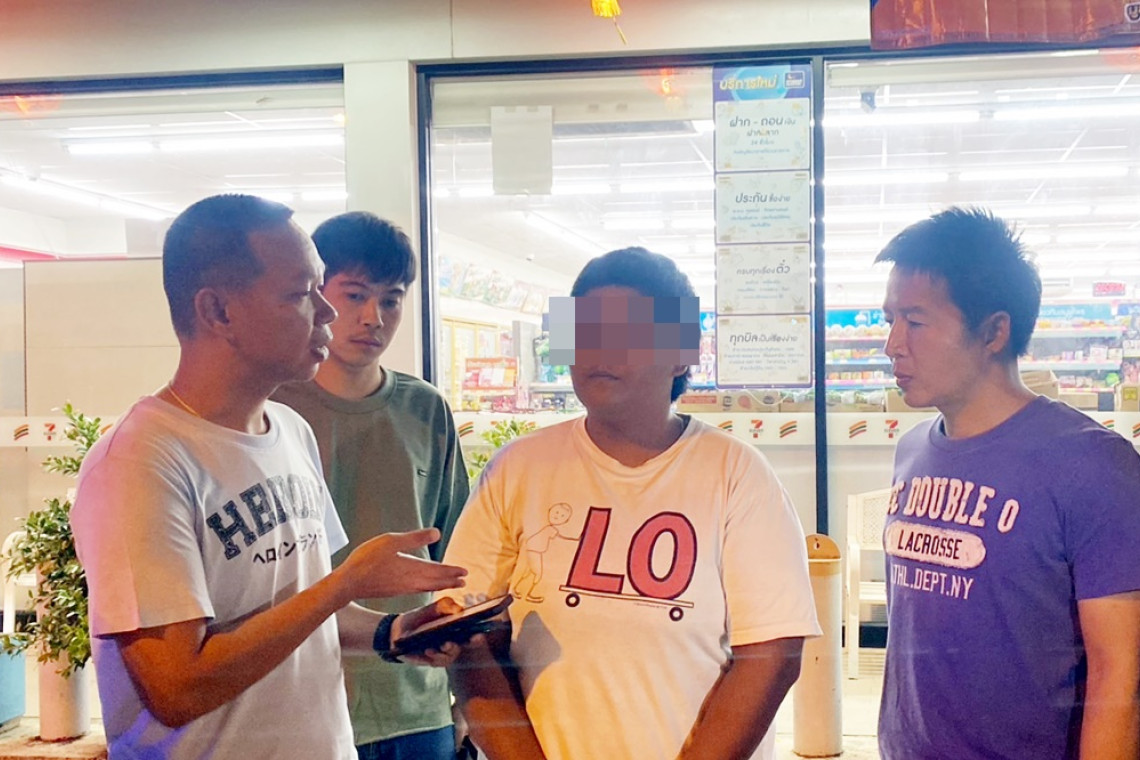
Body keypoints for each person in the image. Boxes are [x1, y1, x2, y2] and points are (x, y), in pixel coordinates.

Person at [70, 194, 470, 760]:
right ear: (219, 312)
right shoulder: (137, 462)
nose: (327, 313)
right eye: (302, 293)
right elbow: (177, 688)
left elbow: (306, 610)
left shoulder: (288, 430)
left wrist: (394, 631)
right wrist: (344, 583)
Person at [441, 247, 821, 760]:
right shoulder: (517, 469)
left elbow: (772, 656)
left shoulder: (737, 474)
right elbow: (466, 637)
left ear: (683, 351)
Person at [875, 207, 1140, 760]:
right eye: (889, 319)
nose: (893, 344)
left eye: (915, 322)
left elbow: (1121, 677)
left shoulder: (1094, 466)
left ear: (995, 331)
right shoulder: (913, 451)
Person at [273, 211, 469, 760]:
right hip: (306, 703)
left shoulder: (425, 408)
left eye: (391, 300)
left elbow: (456, 553)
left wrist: (464, 697)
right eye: (355, 295)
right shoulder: (272, 410)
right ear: (316, 294)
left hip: (419, 701)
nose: (372, 318)